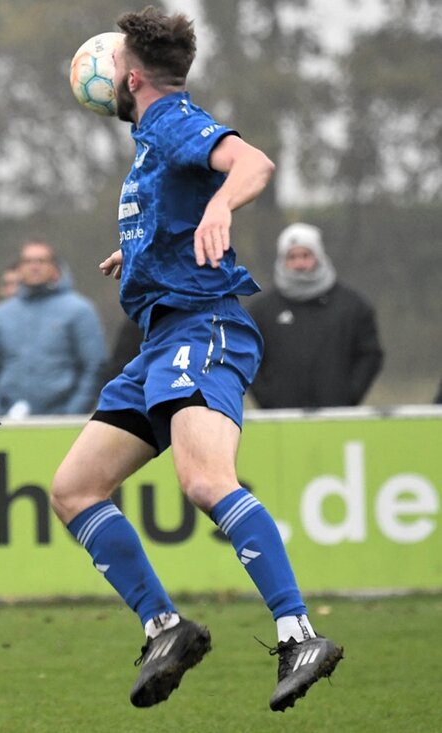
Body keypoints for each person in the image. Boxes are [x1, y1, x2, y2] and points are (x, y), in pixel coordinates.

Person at [48, 7, 342, 714]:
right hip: (160, 339)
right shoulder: (152, 142)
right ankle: (165, 625)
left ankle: (298, 630)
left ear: (134, 77)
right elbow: (175, 209)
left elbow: (254, 162)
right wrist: (144, 249)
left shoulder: (174, 120)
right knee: (74, 487)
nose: (107, 76)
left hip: (204, 329)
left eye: (114, 66)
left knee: (205, 480)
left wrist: (222, 210)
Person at [248, 222, 383, 408]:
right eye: (292, 257)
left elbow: (370, 355)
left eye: (305, 255)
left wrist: (349, 395)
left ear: (319, 256)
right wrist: (269, 400)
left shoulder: (353, 307)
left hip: (337, 419)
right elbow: (249, 359)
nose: (299, 263)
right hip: (281, 423)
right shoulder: (261, 311)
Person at [0, 240, 107, 417]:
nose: (34, 267)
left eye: (41, 261)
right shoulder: (1, 314)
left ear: (54, 267)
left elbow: (95, 366)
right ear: (19, 268)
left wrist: (73, 412)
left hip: (62, 422)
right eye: (28, 261)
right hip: (9, 422)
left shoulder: (79, 310)